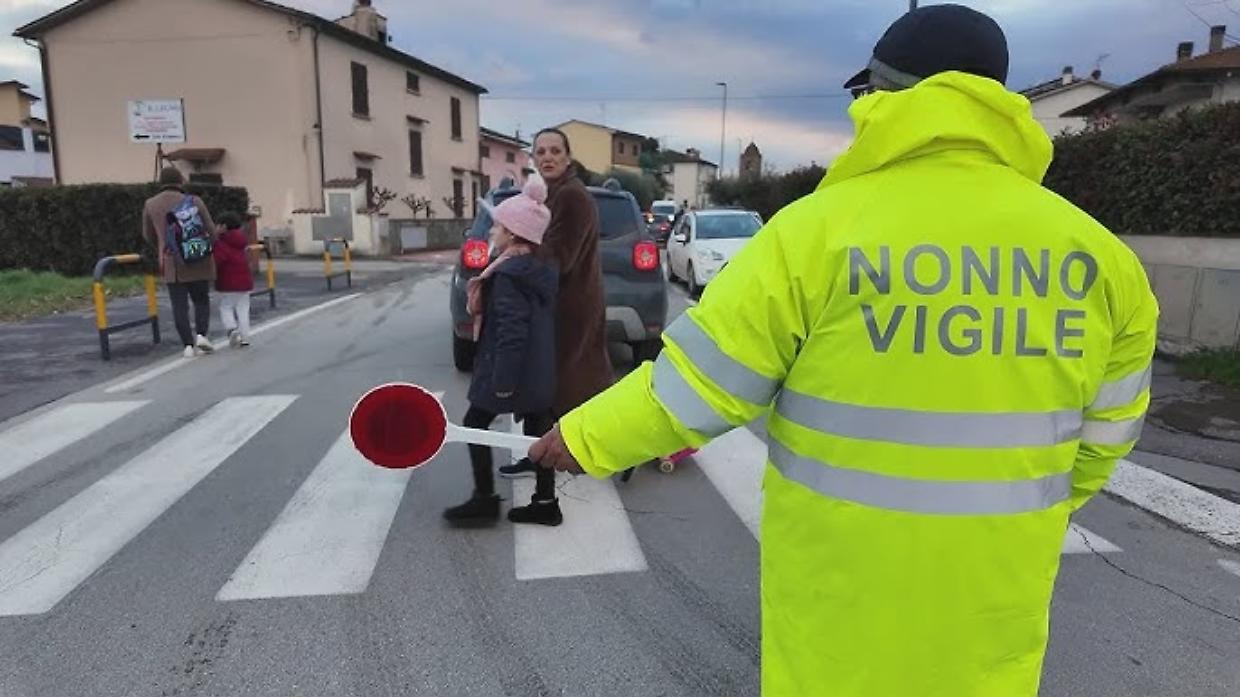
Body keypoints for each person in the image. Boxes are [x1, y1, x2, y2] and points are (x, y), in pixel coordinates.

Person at [530, 5, 1158, 696]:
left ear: (886, 96)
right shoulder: (1100, 259)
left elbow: (693, 390)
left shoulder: (815, 234)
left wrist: (581, 437)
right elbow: (1104, 441)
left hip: (837, 614)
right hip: (992, 614)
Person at [496, 128, 613, 496]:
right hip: (553, 306)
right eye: (541, 151)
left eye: (555, 151)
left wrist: (517, 250)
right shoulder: (551, 195)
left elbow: (559, 258)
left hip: (568, 309)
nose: (547, 157)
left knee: (559, 387)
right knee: (554, 387)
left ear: (567, 156)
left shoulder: (573, 198)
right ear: (533, 157)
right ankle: (544, 454)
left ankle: (607, 450)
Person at [443, 179, 561, 527]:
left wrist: (503, 384)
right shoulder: (538, 267)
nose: (493, 230)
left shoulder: (509, 274)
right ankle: (545, 502)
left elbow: (511, 332)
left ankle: (484, 499)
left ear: (512, 233)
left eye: (498, 225)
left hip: (511, 369)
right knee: (540, 430)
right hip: (537, 366)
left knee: (474, 423)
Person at [142, 166, 218, 358]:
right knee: (201, 300)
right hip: (197, 257)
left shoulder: (150, 204)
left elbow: (147, 235)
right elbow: (210, 229)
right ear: (180, 181)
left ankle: (187, 345)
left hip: (171, 261)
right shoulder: (194, 201)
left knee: (179, 305)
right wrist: (209, 245)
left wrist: (162, 246)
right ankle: (201, 335)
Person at [212, 212, 254, 348]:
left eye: (217, 225)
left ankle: (232, 329)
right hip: (245, 281)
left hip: (227, 282)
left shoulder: (221, 242)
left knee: (226, 307)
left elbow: (218, 260)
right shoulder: (241, 240)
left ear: (223, 226)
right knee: (243, 308)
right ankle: (245, 336)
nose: (215, 227)